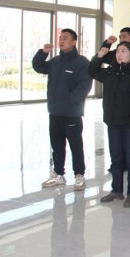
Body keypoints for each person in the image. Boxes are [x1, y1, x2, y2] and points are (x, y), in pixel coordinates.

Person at [89, 41, 130, 208]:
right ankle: (116, 190)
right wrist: (99, 57)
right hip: (113, 123)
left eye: (124, 51)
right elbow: (92, 71)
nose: (119, 54)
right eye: (118, 51)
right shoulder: (111, 71)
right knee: (116, 158)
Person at [33, 28, 92, 191]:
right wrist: (43, 53)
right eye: (60, 38)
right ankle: (58, 174)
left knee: (75, 145)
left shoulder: (82, 62)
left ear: (74, 42)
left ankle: (79, 174)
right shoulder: (55, 61)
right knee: (57, 145)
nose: (61, 40)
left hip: (72, 112)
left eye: (65, 38)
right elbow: (38, 67)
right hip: (55, 111)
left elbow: (85, 86)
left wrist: (70, 101)